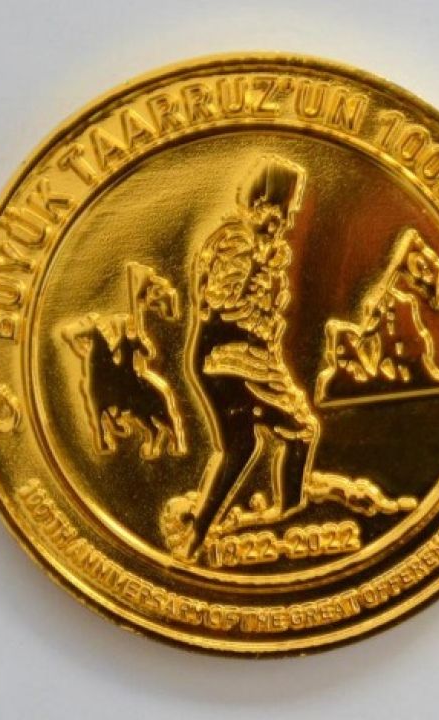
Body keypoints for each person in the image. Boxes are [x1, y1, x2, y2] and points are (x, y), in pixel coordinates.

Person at [179, 155, 320, 557]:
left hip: (229, 358)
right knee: (302, 429)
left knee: (241, 447)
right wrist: (262, 307)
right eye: (288, 205)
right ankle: (290, 513)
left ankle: (196, 536)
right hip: (234, 358)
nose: (291, 216)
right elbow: (223, 302)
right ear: (266, 201)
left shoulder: (252, 242)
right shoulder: (237, 240)